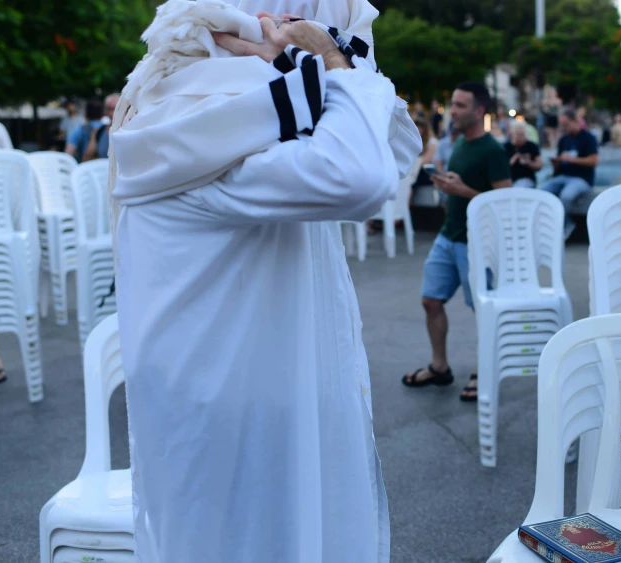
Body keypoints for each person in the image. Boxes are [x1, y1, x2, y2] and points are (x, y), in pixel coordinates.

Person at [109, 0, 420, 560]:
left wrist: (318, 64)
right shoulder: (194, 121)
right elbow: (363, 175)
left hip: (249, 395)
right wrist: (327, 58)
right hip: (236, 421)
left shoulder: (206, 107)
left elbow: (398, 146)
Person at [402, 81, 511, 401]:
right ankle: (440, 368)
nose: (453, 110)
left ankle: (484, 371)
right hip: (449, 235)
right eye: (453, 104)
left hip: (476, 243)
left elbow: (506, 203)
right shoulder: (459, 143)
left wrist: (463, 191)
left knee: (482, 310)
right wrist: (450, 186)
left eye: (461, 105)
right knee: (430, 301)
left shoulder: (493, 150)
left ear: (479, 111)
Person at [541, 108, 599, 240]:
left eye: (565, 125)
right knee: (542, 192)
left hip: (581, 178)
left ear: (575, 121)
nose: (563, 128)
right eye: (561, 125)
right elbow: (561, 162)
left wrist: (571, 159)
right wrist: (557, 162)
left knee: (566, 195)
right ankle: (546, 226)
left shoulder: (588, 138)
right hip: (563, 176)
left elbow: (594, 160)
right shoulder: (564, 139)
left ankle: (564, 225)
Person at [504, 121, 542, 188]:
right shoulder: (505, 147)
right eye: (518, 135)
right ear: (512, 134)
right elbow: (500, 167)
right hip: (508, 180)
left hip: (526, 179)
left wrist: (528, 163)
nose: (521, 138)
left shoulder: (531, 146)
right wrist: (513, 159)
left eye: (523, 135)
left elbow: (539, 165)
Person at [82, 93, 120, 162]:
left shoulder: (131, 129)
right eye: (109, 109)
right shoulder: (99, 131)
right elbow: (87, 157)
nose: (112, 113)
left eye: (115, 108)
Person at [64, 99, 104, 163]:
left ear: (85, 114)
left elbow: (68, 153)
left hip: (85, 168)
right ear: (102, 114)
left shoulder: (79, 130)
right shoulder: (107, 129)